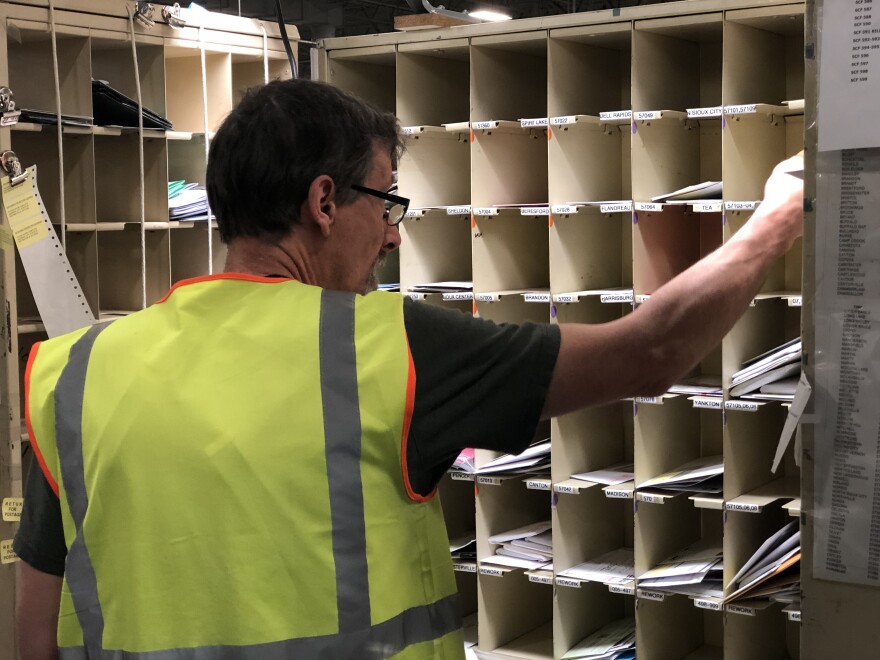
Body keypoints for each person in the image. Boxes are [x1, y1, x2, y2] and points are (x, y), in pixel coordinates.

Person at [14, 78, 804, 659]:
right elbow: (653, 350)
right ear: (326, 202)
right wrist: (779, 216)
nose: (393, 238)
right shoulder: (390, 346)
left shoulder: (74, 374)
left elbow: (31, 637)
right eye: (386, 204)